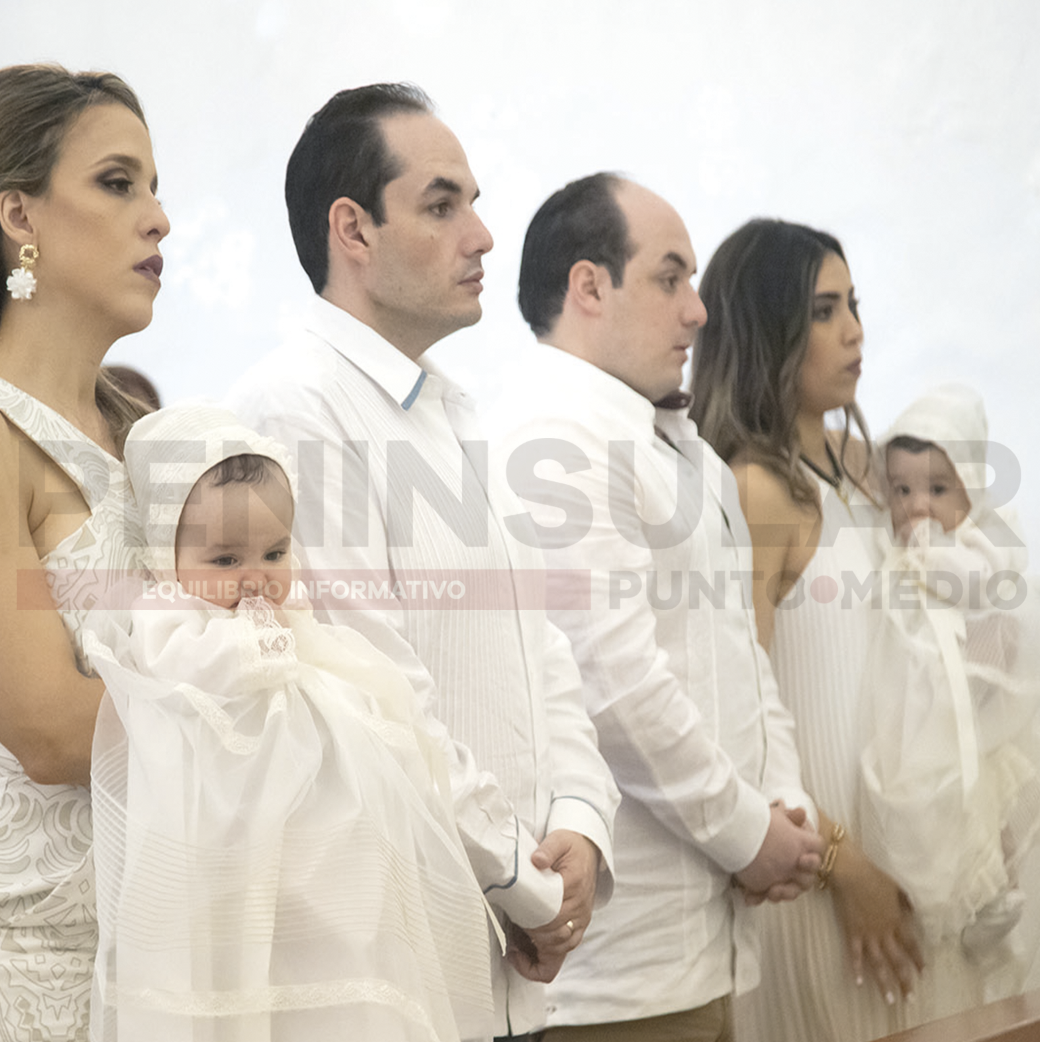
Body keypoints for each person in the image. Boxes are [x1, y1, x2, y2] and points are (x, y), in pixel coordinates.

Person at [227, 83, 619, 1041]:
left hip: (513, 947)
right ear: (352, 230)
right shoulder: (294, 408)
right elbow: (377, 695)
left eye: (473, 204)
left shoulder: (452, 409)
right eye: (443, 206)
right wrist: (529, 880)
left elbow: (543, 650)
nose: (482, 237)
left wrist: (579, 825)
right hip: (405, 961)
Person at [488, 173, 825, 1042]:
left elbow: (741, 650)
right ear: (589, 286)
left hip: (707, 939)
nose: (698, 311)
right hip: (621, 969)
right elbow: (614, 686)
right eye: (670, 278)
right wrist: (750, 835)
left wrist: (785, 802)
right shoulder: (556, 435)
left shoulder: (673, 441)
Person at [84, 403, 495, 1041]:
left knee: (342, 963)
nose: (256, 578)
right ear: (167, 557)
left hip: (318, 846)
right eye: (225, 561)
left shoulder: (295, 614)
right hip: (228, 844)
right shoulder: (168, 616)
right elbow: (188, 667)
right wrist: (258, 646)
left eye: (275, 552)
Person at [691, 217, 994, 1039]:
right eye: (824, 311)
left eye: (853, 304)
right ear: (768, 330)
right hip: (820, 879)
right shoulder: (754, 489)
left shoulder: (872, 468)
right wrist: (843, 867)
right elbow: (740, 718)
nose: (855, 330)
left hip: (908, 852)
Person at [0, 63, 168, 1039]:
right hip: (38, 976)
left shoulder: (151, 436)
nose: (159, 220)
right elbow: (54, 734)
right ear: (17, 213)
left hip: (166, 949)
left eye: (155, 188)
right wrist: (255, 702)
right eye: (117, 183)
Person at [859, 384, 1040, 971]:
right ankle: (958, 899)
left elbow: (978, 583)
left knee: (991, 797)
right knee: (942, 803)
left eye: (938, 490)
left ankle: (996, 896)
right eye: (902, 490)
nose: (918, 507)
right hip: (934, 708)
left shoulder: (976, 541)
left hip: (981, 708)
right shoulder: (894, 550)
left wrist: (924, 554)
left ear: (971, 492)